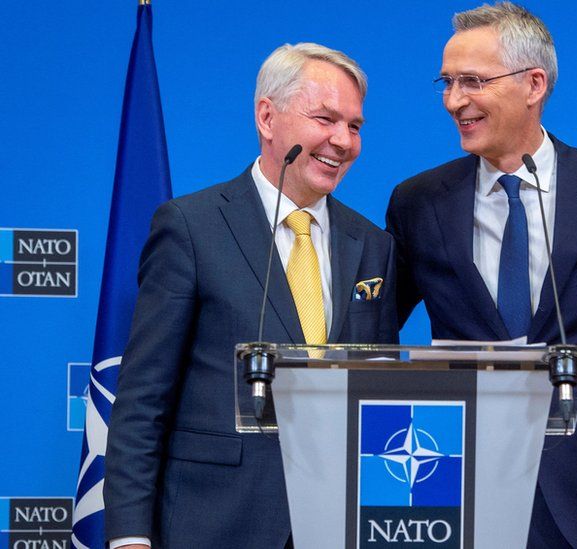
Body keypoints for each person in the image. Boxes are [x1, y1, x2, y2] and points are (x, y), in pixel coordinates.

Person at [385, 3, 577, 547]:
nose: (454, 101)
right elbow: (372, 331)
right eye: (447, 83)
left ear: (533, 84)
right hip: (461, 486)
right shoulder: (417, 202)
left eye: (472, 81)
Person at [103, 43, 397, 548]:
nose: (343, 140)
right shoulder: (191, 227)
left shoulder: (373, 245)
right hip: (214, 522)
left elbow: (379, 391)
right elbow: (142, 397)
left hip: (337, 525)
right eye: (326, 118)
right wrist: (130, 535)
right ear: (267, 116)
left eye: (355, 126)